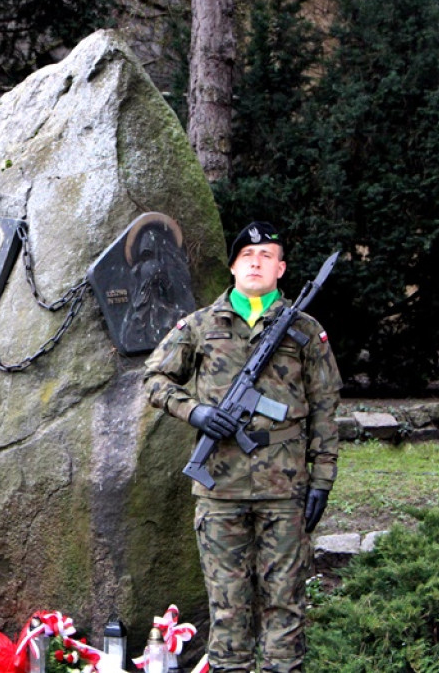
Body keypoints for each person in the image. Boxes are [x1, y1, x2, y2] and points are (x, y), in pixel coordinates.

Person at [142, 221, 342, 673]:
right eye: (247, 256)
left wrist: (322, 479)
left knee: (285, 604)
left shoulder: (305, 330)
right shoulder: (199, 325)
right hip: (220, 488)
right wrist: (196, 412)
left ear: (281, 269)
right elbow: (154, 379)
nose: (256, 262)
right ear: (233, 267)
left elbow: (325, 408)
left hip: (284, 488)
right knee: (227, 605)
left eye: (267, 255)